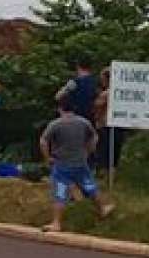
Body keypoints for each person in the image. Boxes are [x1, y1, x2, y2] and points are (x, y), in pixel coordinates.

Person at [39, 93, 115, 233]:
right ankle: (102, 208)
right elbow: (94, 137)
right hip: (80, 162)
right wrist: (88, 150)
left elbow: (43, 141)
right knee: (89, 186)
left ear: (60, 108)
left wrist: (47, 158)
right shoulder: (83, 122)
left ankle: (56, 223)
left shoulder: (56, 124)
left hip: (62, 164)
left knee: (60, 192)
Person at [93, 68, 125, 171]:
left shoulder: (106, 93)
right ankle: (113, 170)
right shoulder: (121, 92)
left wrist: (97, 118)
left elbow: (98, 106)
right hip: (119, 123)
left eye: (102, 79)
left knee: (105, 150)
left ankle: (105, 171)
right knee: (115, 150)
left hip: (106, 124)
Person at [63, 59, 98, 123]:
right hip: (90, 117)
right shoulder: (95, 82)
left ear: (78, 67)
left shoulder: (75, 82)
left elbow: (58, 96)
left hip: (75, 117)